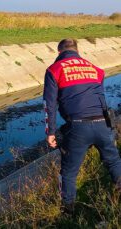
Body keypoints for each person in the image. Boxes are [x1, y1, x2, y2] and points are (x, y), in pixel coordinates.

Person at [43, 38, 121, 213]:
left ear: (59, 52)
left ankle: (67, 211)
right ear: (77, 51)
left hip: (78, 127)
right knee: (114, 161)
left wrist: (51, 132)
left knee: (69, 172)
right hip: (104, 123)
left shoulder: (54, 70)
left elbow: (49, 104)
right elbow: (99, 96)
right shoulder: (96, 69)